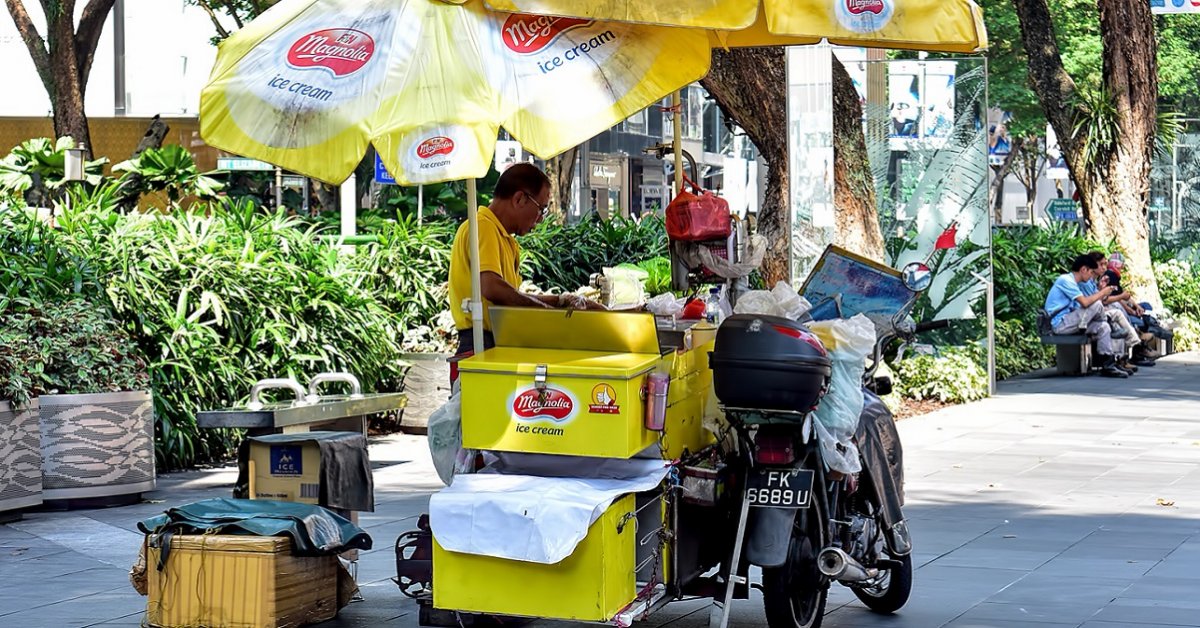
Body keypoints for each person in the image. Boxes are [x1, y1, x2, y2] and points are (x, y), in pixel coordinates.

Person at [447, 163, 605, 366]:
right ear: (519, 199)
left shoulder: (502, 237)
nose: (540, 220)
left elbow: (510, 295)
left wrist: (558, 301)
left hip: (494, 340)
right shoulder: (483, 227)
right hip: (480, 343)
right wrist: (545, 312)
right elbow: (492, 287)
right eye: (541, 209)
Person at [1044, 254, 1127, 378]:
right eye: (1091, 272)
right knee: (1097, 304)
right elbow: (1085, 302)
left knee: (1103, 327)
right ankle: (1109, 322)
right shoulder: (1066, 280)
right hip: (1060, 324)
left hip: (1071, 321)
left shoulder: (1076, 283)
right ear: (1083, 269)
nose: (1092, 276)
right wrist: (1102, 293)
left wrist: (1100, 290)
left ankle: (1108, 364)